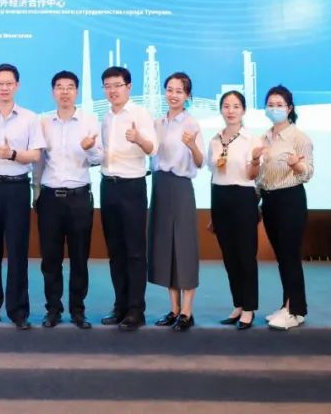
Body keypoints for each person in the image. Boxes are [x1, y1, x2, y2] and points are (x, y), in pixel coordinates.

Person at [0, 63, 45, 330]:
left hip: (17, 188)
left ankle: (18, 311)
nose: (4, 88)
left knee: (17, 251)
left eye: (9, 83)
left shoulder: (30, 118)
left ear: (17, 86)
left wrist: (12, 155)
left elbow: (35, 154)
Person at [33, 70, 101, 329]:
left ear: (77, 91)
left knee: (79, 257)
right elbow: (38, 162)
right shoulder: (43, 122)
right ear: (53, 92)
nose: (64, 91)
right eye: (59, 87)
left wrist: (89, 148)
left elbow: (99, 158)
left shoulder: (89, 121)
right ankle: (53, 309)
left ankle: (78, 310)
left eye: (70, 87)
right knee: (50, 259)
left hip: (79, 197)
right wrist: (36, 193)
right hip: (50, 197)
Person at [99, 66, 157, 331]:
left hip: (132, 186)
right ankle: (120, 305)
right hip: (108, 185)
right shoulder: (106, 117)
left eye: (117, 85)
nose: (112, 91)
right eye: (108, 86)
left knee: (134, 251)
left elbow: (152, 148)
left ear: (129, 87)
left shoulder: (140, 113)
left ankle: (136, 310)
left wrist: (138, 138)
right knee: (115, 251)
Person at [149, 72, 205, 332]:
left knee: (184, 246)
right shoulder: (157, 123)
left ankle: (187, 312)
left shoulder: (191, 123)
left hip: (181, 186)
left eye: (179, 91)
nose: (173, 95)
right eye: (169, 90)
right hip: (159, 185)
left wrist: (192, 146)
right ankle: (173, 309)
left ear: (187, 96)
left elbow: (200, 162)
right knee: (165, 247)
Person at [256, 84, 315, 331]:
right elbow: (260, 174)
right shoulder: (263, 138)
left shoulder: (299, 138)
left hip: (290, 199)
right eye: (270, 104)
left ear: (289, 108)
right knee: (282, 257)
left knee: (290, 256)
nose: (274, 108)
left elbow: (308, 173)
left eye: (279, 105)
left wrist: (295, 165)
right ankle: (288, 305)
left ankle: (296, 310)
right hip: (269, 200)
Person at [206, 90, 261, 330]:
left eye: (236, 106)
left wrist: (256, 160)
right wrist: (213, 212)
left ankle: (249, 308)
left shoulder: (252, 139)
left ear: (244, 110)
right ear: (221, 110)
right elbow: (214, 173)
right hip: (220, 197)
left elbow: (252, 175)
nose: (231, 111)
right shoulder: (214, 140)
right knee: (229, 257)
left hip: (243, 197)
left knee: (245, 255)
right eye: (226, 106)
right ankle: (238, 304)